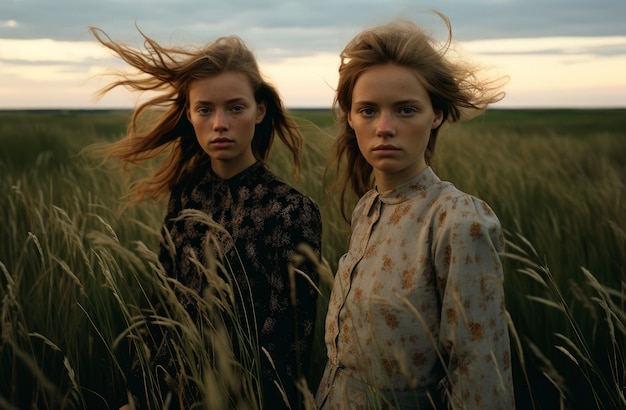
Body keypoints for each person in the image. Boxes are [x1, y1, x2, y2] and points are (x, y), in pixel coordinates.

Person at [89, 27, 322, 410]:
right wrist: (138, 394)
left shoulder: (290, 210)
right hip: (168, 395)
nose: (219, 124)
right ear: (190, 114)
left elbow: (288, 346)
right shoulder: (187, 193)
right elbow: (162, 305)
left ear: (259, 110)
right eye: (205, 110)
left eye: (235, 107)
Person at [315, 12, 514, 410]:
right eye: (368, 110)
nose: (384, 126)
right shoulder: (368, 207)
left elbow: (479, 374)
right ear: (351, 117)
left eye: (405, 110)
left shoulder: (458, 221)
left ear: (435, 114)